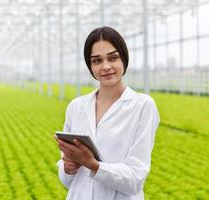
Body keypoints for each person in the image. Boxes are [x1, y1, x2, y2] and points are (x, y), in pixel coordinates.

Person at [54, 26, 160, 200]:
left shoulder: (142, 106)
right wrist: (67, 167)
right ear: (90, 66)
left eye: (113, 58)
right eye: (97, 61)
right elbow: (67, 180)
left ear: (124, 59)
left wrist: (93, 165)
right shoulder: (76, 106)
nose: (106, 66)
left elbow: (135, 179)